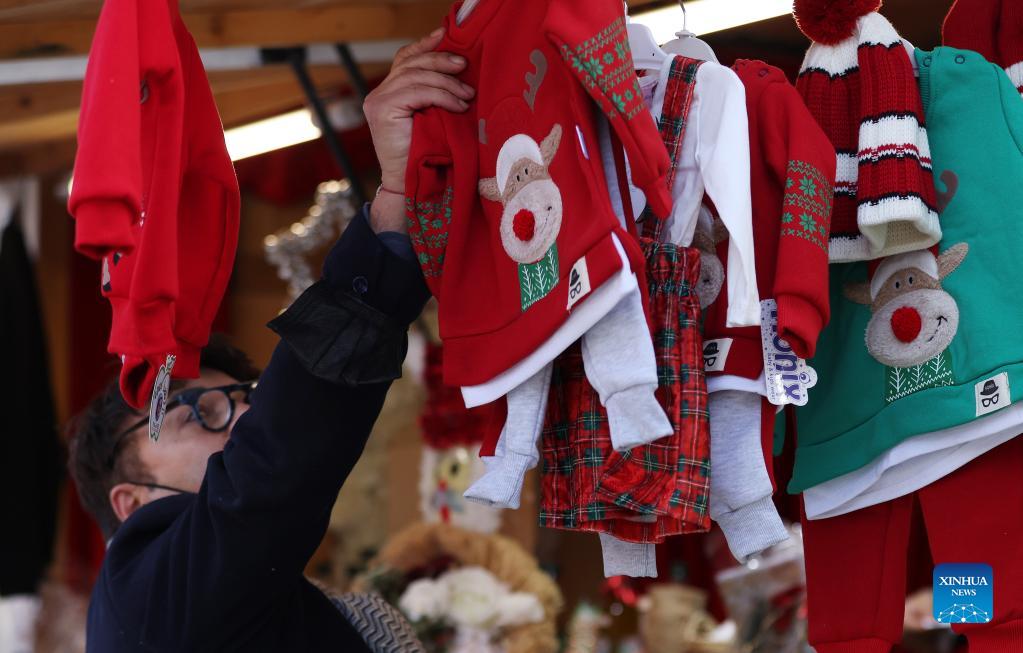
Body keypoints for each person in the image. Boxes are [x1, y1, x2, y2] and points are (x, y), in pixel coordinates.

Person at [67, 28, 476, 652]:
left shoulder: (211, 602)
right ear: (130, 501)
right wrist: (394, 202)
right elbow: (269, 469)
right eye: (201, 414)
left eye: (244, 396)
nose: (247, 416)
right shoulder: (150, 593)